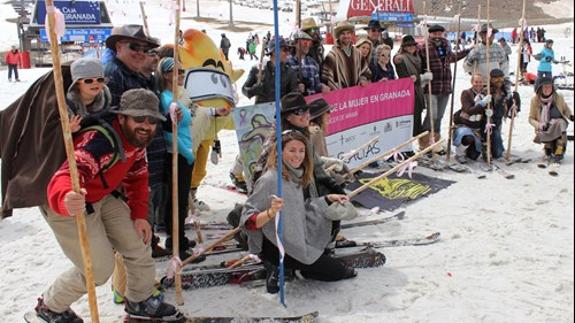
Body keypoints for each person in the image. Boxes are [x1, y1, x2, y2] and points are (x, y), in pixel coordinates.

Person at [33, 89, 184, 322]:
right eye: (138, 118)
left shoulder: (137, 140)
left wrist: (140, 215)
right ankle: (51, 306)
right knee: (98, 269)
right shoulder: (101, 141)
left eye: (152, 120)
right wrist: (66, 196)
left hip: (101, 197)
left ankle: (139, 300)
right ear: (122, 117)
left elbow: (138, 176)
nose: (146, 125)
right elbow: (69, 172)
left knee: (138, 244)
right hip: (68, 204)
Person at [239, 129, 357, 294]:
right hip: (276, 246)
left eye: (301, 151)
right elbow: (247, 221)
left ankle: (299, 268)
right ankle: (281, 266)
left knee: (336, 268)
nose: (298, 155)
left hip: (296, 239)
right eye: (292, 150)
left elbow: (300, 208)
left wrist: (328, 199)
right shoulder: (270, 180)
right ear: (280, 152)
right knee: (340, 272)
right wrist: (270, 213)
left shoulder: (296, 176)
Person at [156, 57, 197, 259]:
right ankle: (177, 245)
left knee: (178, 200)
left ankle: (177, 238)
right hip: (178, 155)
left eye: (181, 72)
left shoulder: (174, 96)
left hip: (182, 153)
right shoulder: (166, 99)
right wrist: (187, 154)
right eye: (175, 72)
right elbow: (169, 133)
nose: (180, 75)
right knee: (177, 202)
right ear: (165, 75)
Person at [420, 24, 471, 151]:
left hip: (445, 87)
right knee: (432, 115)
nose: (437, 36)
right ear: (430, 34)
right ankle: (424, 141)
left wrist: (467, 51)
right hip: (431, 86)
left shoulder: (446, 45)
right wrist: (423, 75)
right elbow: (417, 62)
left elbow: (451, 58)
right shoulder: (424, 47)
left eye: (439, 34)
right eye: (434, 34)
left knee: (440, 115)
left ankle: (435, 141)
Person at [104, 24, 160, 106]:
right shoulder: (114, 73)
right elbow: (112, 114)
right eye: (134, 47)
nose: (141, 53)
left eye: (145, 50)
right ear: (119, 47)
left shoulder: (135, 74)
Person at [394, 35, 431, 142]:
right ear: (404, 47)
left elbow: (422, 71)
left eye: (413, 45)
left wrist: (422, 76)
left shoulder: (418, 57)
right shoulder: (401, 58)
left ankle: (416, 142)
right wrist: (420, 78)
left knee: (417, 117)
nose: (411, 47)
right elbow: (403, 77)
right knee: (410, 120)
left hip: (418, 91)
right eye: (408, 46)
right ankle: (407, 144)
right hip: (408, 93)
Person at [528, 76, 574, 163]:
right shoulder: (535, 100)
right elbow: (531, 118)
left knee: (560, 124)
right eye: (545, 87)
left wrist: (571, 116)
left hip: (558, 122)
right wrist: (539, 125)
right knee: (548, 137)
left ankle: (560, 150)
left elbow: (565, 109)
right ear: (540, 88)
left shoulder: (558, 97)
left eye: (549, 86)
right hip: (544, 125)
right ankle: (548, 147)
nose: (547, 89)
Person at [65, 58, 112, 132]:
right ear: (77, 84)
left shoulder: (106, 97)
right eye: (88, 81)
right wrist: (68, 131)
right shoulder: (67, 106)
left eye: (100, 79)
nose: (95, 83)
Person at [322, 20, 371, 90]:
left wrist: (363, 79)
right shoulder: (332, 56)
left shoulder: (358, 54)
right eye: (343, 33)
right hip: (340, 96)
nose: (346, 36)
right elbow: (326, 78)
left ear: (351, 35)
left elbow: (366, 72)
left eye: (348, 33)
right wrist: (334, 86)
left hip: (356, 94)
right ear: (338, 36)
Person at [452, 73, 489, 163]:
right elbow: (469, 110)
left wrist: (489, 111)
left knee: (473, 156)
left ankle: (470, 150)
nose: (478, 84)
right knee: (468, 138)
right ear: (472, 82)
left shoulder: (486, 94)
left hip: (477, 127)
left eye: (480, 82)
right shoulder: (466, 93)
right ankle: (459, 153)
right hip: (465, 125)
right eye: (476, 82)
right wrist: (481, 104)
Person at [485, 68, 520, 160]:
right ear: (491, 79)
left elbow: (511, 114)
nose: (498, 80)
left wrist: (516, 102)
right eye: (495, 78)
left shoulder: (505, 93)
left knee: (497, 152)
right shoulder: (486, 91)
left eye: (501, 78)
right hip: (485, 124)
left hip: (497, 124)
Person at [287, 30, 329, 95]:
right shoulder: (287, 63)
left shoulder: (313, 63)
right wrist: (295, 88)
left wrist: (322, 87)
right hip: (295, 103)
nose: (307, 45)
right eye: (304, 42)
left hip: (312, 102)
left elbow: (316, 85)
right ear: (295, 44)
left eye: (308, 42)